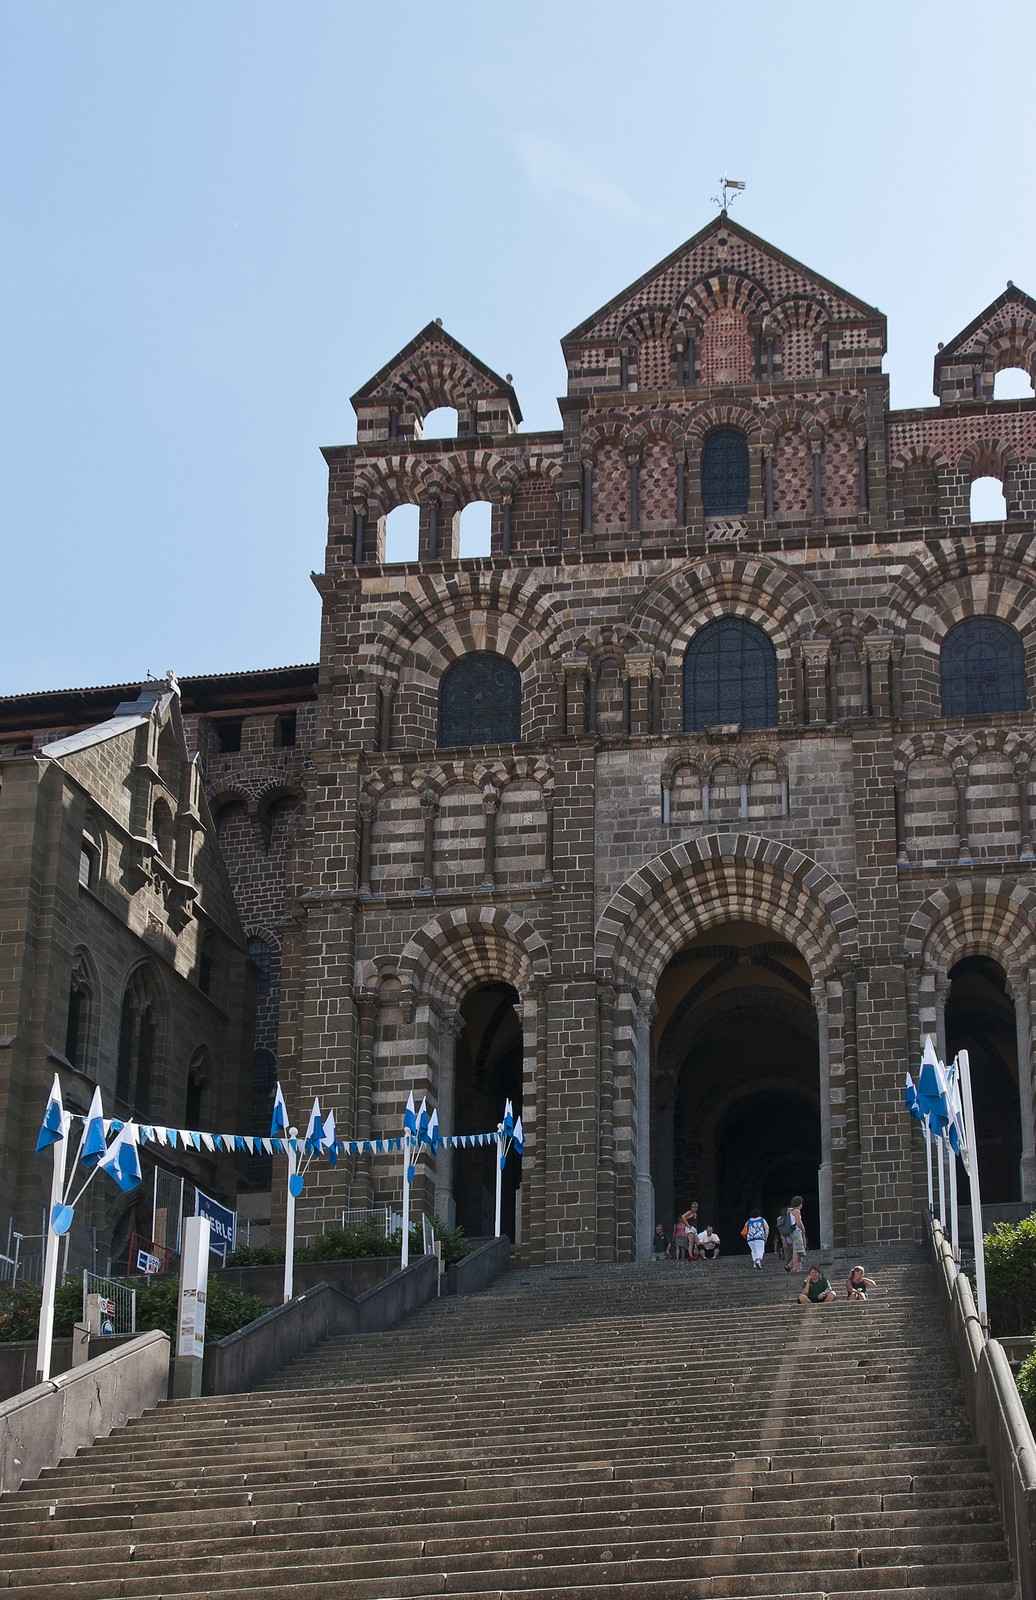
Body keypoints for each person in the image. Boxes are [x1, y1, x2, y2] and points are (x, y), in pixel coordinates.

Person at [783, 1195, 806, 1274]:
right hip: (796, 1232)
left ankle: (790, 1265)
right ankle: (795, 1268)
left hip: (791, 1233)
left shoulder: (790, 1211)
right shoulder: (796, 1211)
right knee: (797, 1251)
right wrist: (803, 1229)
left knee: (797, 1250)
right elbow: (798, 1222)